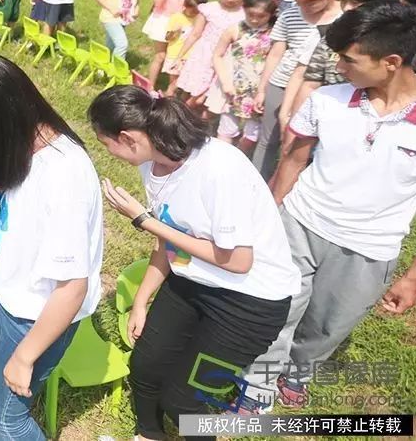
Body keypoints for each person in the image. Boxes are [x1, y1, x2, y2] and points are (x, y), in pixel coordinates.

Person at [88, 86, 299, 435]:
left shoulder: (219, 167)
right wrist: (141, 301)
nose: (108, 153)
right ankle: (149, 433)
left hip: (249, 301)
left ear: (126, 138)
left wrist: (144, 220)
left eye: (104, 143)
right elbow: (169, 239)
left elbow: (237, 260)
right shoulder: (153, 165)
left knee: (184, 401)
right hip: (191, 280)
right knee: (145, 366)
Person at [247, 2, 416, 407]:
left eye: (349, 59)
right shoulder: (327, 100)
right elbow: (293, 158)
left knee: (328, 323)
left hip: (369, 247)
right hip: (301, 222)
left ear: (391, 61)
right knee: (279, 308)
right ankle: (257, 384)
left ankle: (299, 371)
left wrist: (412, 278)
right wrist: (272, 214)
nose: (339, 67)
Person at [0, 54, 103, 440]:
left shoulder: (64, 173)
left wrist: (25, 355)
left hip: (36, 315)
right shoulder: (11, 145)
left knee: (5, 417)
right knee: (0, 406)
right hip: (4, 295)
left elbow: (72, 287)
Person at [252, 0, 340, 179]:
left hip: (319, 88)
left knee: (303, 143)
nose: (302, 8)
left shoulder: (343, 17)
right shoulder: (290, 14)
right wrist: (262, 90)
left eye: (309, 3)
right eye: (298, 2)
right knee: (268, 139)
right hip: (281, 82)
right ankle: (256, 183)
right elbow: (275, 54)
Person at [212, 0, 277, 154]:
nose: (255, 20)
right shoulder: (235, 29)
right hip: (234, 88)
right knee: (226, 130)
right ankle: (221, 160)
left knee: (252, 135)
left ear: (270, 14)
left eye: (261, 16)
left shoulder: (275, 33)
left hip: (260, 90)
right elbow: (217, 55)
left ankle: (239, 157)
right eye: (250, 15)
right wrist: (225, 82)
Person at [175, 0, 249, 111]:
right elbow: (195, 34)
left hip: (225, 59)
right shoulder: (209, 9)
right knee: (191, 91)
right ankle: (180, 115)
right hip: (203, 57)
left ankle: (190, 119)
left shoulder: (245, 15)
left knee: (206, 97)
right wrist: (180, 56)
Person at [142, 0, 203, 90]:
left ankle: (172, 88)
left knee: (179, 54)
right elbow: (158, 2)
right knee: (160, 55)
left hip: (183, 19)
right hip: (162, 19)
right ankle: (149, 86)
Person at [163, 0, 207, 97]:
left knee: (186, 85)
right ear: (185, 5)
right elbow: (167, 38)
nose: (193, 13)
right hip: (175, 54)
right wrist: (174, 32)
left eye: (196, 11)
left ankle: (178, 102)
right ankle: (168, 99)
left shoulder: (200, 19)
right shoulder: (176, 17)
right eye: (191, 10)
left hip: (191, 56)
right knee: (173, 83)